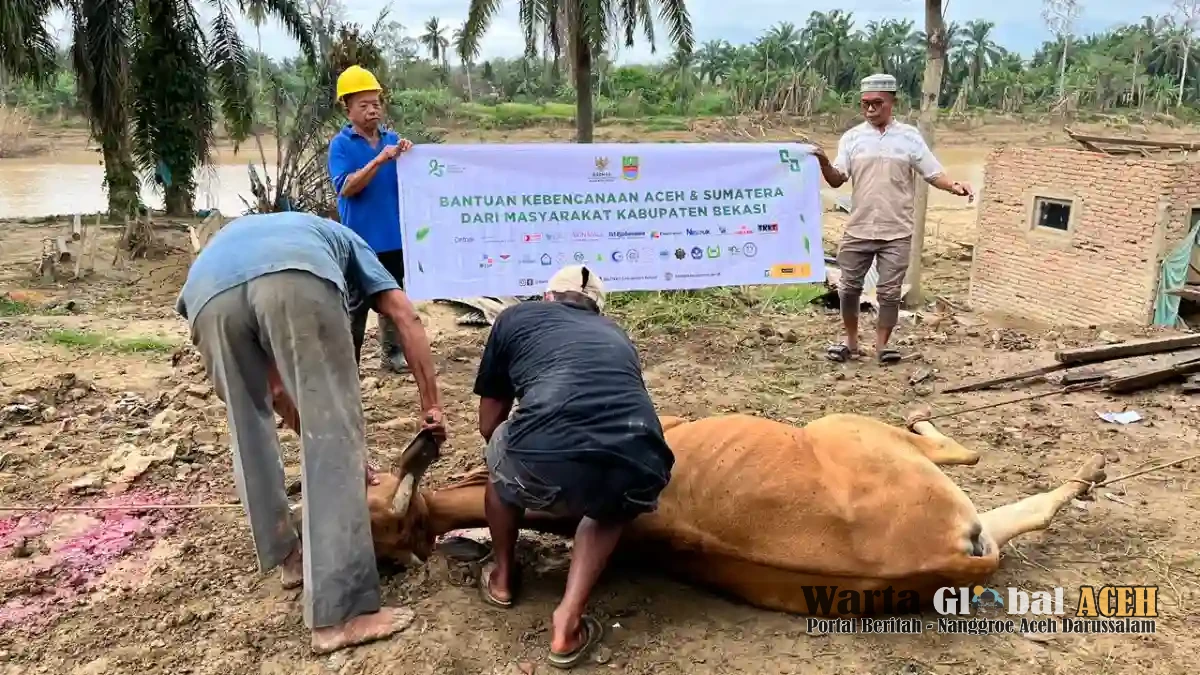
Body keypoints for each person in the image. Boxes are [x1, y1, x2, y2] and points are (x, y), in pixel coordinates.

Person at [175, 211, 445, 655]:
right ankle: (340, 616)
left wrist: (336, 448)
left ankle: (291, 560)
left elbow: (277, 391)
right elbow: (405, 315)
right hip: (295, 278)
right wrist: (431, 405)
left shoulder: (269, 230)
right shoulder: (350, 242)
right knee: (336, 427)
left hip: (207, 292)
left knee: (248, 428)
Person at [472, 265, 674, 669]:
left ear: (547, 297)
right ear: (597, 310)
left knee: (501, 453)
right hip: (643, 458)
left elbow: (488, 422)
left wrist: (523, 465)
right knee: (611, 507)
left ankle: (503, 577)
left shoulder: (515, 318)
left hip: (546, 453)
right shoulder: (617, 335)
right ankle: (568, 620)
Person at [813, 72, 975, 365]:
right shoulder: (852, 138)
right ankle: (850, 341)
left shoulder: (910, 137)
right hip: (859, 227)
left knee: (889, 293)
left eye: (877, 103)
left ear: (892, 102)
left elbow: (933, 172)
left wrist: (954, 186)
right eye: (865, 104)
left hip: (897, 230)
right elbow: (837, 180)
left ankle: (881, 346)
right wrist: (824, 162)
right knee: (848, 288)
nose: (870, 109)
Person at [328, 64, 412, 373]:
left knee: (393, 297)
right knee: (355, 304)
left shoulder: (393, 140)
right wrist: (379, 160)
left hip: (393, 236)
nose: (372, 110)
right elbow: (346, 188)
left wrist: (409, 155)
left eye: (376, 103)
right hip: (359, 239)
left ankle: (393, 354)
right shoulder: (341, 145)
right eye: (363, 105)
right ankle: (348, 362)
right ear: (347, 109)